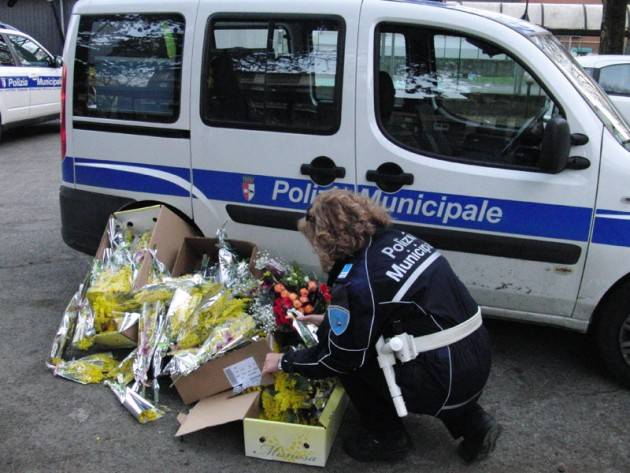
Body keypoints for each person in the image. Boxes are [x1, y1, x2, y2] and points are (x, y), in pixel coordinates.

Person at [262, 189, 502, 463]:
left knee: (355, 362)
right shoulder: (401, 240)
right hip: (476, 356)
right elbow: (392, 309)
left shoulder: (355, 281)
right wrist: (331, 320)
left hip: (444, 377)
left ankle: (387, 438)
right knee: (420, 345)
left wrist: (285, 361)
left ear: (326, 241)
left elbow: (340, 357)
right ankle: (475, 424)